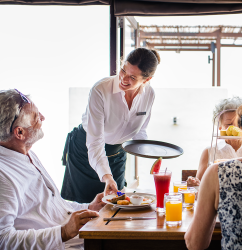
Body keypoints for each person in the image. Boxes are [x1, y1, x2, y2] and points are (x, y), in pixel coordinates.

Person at [0, 89, 105, 250]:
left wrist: (89, 208)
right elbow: (4, 240)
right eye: (36, 116)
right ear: (19, 132)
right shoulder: (3, 176)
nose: (42, 118)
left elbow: (54, 207)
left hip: (80, 240)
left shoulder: (27, 153)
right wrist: (62, 233)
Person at [61, 48, 160, 203]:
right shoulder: (100, 90)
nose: (123, 79)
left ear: (146, 80)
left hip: (117, 154)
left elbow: (140, 131)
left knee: (117, 204)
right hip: (85, 152)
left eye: (132, 77)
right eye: (123, 70)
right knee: (83, 208)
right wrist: (107, 177)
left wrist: (153, 152)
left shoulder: (149, 95)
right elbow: (95, 142)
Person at [185, 105, 242, 249]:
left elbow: (195, 243)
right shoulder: (211, 153)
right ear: (220, 127)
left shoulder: (218, 171)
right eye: (229, 125)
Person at [187, 96, 242, 187]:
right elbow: (199, 187)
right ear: (220, 127)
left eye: (239, 123)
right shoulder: (209, 152)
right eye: (229, 124)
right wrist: (193, 184)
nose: (236, 128)